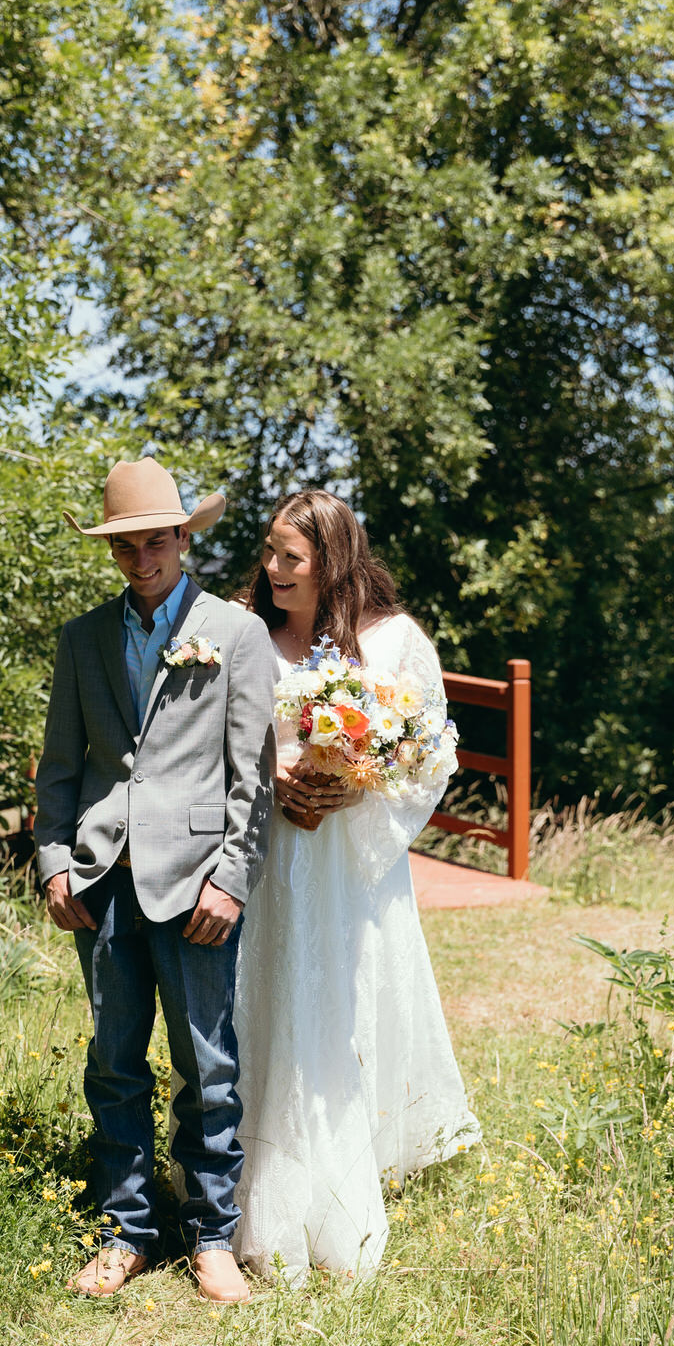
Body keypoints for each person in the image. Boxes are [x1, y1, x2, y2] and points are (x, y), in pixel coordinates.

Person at [35, 455, 276, 1304]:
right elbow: (61, 768)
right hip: (102, 884)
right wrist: (55, 861)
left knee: (206, 1063)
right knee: (113, 1062)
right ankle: (127, 1231)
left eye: (156, 542)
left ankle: (212, 1235)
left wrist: (233, 879)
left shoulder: (235, 633)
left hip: (198, 886)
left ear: (184, 536)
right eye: (125, 547)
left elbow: (254, 776)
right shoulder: (82, 638)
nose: (142, 560)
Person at [232, 489, 481, 1284]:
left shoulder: (394, 640)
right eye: (268, 551)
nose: (272, 569)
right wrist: (270, 771)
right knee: (266, 993)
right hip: (271, 847)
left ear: (332, 561)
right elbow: (216, 734)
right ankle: (250, 1164)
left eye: (290, 557)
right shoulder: (249, 636)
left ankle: (350, 1157)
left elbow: (431, 750)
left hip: (348, 855)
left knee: (345, 997)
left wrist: (357, 783)